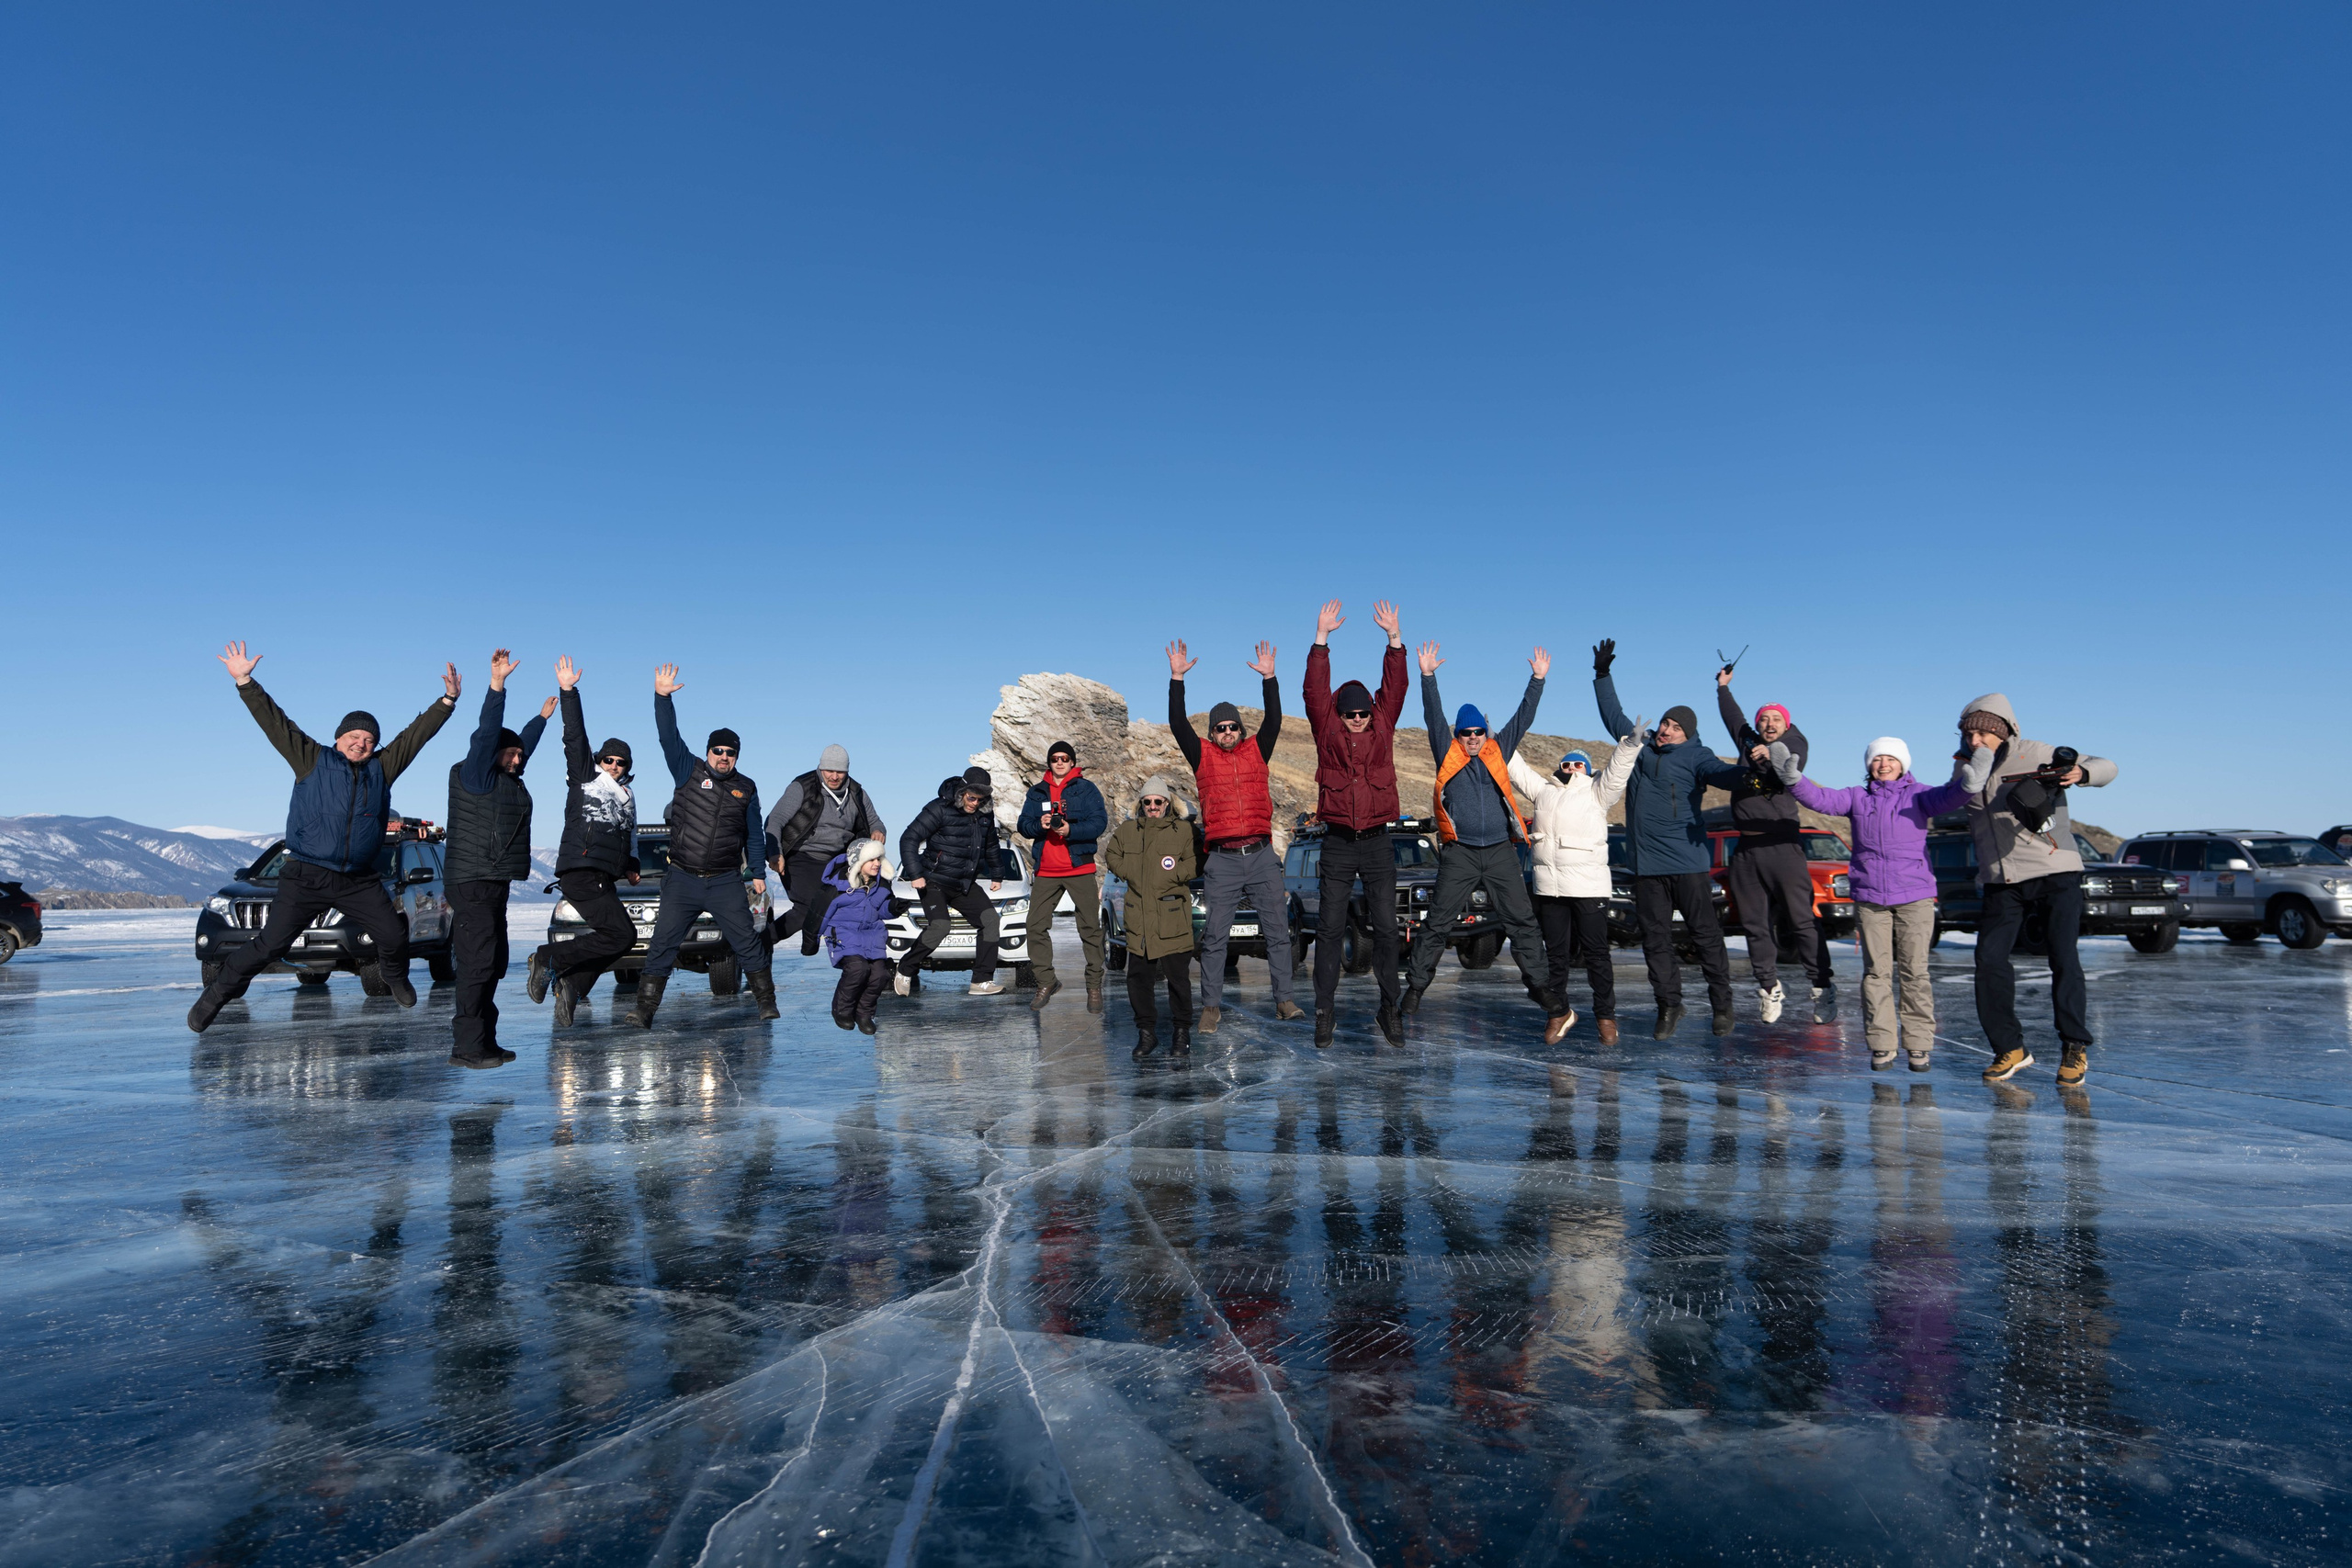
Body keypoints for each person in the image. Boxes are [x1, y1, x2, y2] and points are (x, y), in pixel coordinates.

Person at [188, 642, 458, 1033]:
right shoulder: (311, 759)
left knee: (393, 933)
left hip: (358, 879)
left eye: (368, 739)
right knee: (270, 945)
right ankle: (214, 997)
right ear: (338, 738)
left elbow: (415, 737)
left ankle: (397, 978)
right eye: (354, 736)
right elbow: (275, 721)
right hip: (307, 874)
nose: (361, 743)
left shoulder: (382, 769)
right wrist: (245, 681)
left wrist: (447, 700)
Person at [1771, 736, 1984, 1071]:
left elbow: (1950, 796)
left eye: (1891, 759)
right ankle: (1882, 1043)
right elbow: (1822, 799)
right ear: (1869, 765)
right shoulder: (1858, 797)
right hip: (1871, 897)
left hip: (1914, 896)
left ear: (1903, 764)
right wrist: (1794, 780)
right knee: (1876, 974)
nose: (1883, 764)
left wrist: (1970, 783)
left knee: (1915, 972)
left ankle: (1918, 1043)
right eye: (1877, 759)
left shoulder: (1920, 795)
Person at [1951, 694, 2116, 1087]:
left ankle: (2074, 1045)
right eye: (1969, 732)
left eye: (1984, 732)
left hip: (2055, 870)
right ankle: (2010, 1048)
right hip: (2000, 880)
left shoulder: (2035, 752)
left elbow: (2106, 766)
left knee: (2063, 957)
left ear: (2003, 731)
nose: (1976, 739)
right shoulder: (1962, 768)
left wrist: (2080, 773)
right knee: (1989, 961)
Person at [1592, 638, 1750, 1039]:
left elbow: (1722, 774)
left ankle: (1722, 1005)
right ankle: (1669, 1006)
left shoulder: (1698, 756)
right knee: (1655, 942)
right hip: (1647, 868)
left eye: (1675, 727)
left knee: (1705, 938)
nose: (1665, 730)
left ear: (1687, 734)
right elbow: (1614, 716)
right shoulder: (1640, 749)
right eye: (1665, 723)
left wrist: (1752, 773)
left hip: (1688, 865)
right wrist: (1602, 674)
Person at [1401, 640, 1554, 1022]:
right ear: (1457, 735)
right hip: (1461, 853)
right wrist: (1427, 676)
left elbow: (1523, 718)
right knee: (1438, 923)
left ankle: (1541, 987)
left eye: (1478, 731)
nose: (1472, 737)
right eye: (1465, 732)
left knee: (1522, 922)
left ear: (1486, 732)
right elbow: (1432, 714)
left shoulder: (1497, 751)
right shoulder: (1447, 752)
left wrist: (1537, 680)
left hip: (1501, 850)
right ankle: (1416, 989)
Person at [1166, 637, 1303, 1032]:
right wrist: (1177, 679)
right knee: (1214, 937)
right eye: (1219, 728)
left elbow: (1275, 718)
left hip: (1260, 855)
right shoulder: (1202, 755)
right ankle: (1211, 1005)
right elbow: (1178, 723)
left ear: (1241, 729)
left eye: (1232, 726)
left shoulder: (1258, 749)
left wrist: (1270, 678)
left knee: (1278, 933)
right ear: (1212, 732)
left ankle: (1284, 1000)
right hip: (1223, 859)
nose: (1226, 731)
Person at [632, 664, 776, 1026]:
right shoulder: (688, 770)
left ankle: (765, 1001)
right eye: (717, 750)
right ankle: (645, 1009)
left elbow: (754, 834)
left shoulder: (747, 787)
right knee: (663, 944)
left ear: (737, 756)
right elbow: (668, 737)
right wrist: (662, 697)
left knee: (746, 942)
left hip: (726, 880)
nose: (723, 756)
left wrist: (757, 873)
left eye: (730, 752)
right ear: (708, 751)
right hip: (682, 878)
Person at [1302, 598, 1409, 1047]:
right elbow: (1313, 691)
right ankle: (1324, 1012)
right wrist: (1321, 640)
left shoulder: (1383, 722)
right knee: (1329, 929)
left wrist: (1394, 640)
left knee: (1386, 929)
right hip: (1340, 843)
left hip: (1378, 843)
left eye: (1363, 713)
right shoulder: (1327, 728)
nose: (1359, 720)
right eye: (1351, 715)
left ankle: (1390, 1010)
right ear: (1339, 716)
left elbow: (1396, 686)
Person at [442, 649, 552, 1067]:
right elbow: (491, 734)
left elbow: (516, 745)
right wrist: (497, 686)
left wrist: (539, 722)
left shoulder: (508, 778)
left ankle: (484, 1041)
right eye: (511, 755)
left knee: (493, 963)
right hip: (471, 880)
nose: (518, 759)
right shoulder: (475, 774)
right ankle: (466, 1047)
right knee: (476, 964)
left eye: (520, 755)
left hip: (493, 882)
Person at [526, 657, 642, 1027]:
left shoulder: (628, 797)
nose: (614, 765)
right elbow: (575, 735)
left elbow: (631, 834)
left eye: (621, 762)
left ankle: (574, 984)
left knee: (620, 939)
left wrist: (632, 864)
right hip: (581, 866)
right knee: (621, 935)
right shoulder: (585, 777)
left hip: (603, 873)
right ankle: (548, 959)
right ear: (599, 760)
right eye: (609, 759)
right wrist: (568, 691)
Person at [1507, 728, 1642, 1045]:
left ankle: (1606, 1016)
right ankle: (1558, 1012)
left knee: (1596, 953)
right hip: (1550, 887)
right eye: (1566, 764)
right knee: (1555, 955)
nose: (1571, 768)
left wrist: (1629, 746)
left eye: (1578, 764)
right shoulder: (1544, 791)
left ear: (1588, 769)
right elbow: (1517, 770)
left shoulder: (1597, 791)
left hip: (1588, 887)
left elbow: (1617, 773)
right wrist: (1501, 740)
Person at [1715, 668, 1834, 1020]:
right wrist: (1722, 688)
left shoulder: (1794, 743)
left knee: (1801, 921)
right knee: (1754, 924)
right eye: (1764, 719)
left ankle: (1822, 987)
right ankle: (1769, 988)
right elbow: (1733, 720)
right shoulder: (1749, 742)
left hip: (1783, 847)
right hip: (1747, 850)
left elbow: (1789, 762)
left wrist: (1770, 757)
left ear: (1786, 724)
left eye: (1775, 719)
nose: (1769, 724)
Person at [1102, 777, 1199, 1057]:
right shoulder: (1128, 830)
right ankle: (1147, 1035)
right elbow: (1112, 855)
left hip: (1171, 918)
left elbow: (1195, 862)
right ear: (1141, 804)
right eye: (1147, 802)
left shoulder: (1183, 831)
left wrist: (1173, 875)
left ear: (1167, 804)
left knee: (1178, 981)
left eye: (1158, 801)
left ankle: (1181, 1035)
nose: (1153, 806)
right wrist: (1131, 871)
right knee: (1138, 980)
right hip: (1139, 920)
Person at [764, 744, 886, 957]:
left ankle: (857, 958)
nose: (834, 776)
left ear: (847, 771)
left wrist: (877, 830)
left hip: (838, 859)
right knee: (807, 908)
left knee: (848, 904)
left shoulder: (856, 792)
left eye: (839, 771)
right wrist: (775, 852)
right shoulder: (802, 786)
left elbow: (874, 820)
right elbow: (775, 820)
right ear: (821, 768)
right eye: (829, 770)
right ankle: (760, 944)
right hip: (801, 855)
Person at [896, 766, 1008, 997]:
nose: (975, 803)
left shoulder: (985, 814)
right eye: (971, 797)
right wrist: (915, 874)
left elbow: (991, 846)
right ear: (961, 792)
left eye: (981, 799)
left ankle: (981, 981)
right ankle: (905, 969)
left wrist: (997, 874)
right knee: (940, 925)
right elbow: (909, 838)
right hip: (933, 881)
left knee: (989, 921)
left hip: (963, 883)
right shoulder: (939, 808)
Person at [1016, 740, 1109, 1012]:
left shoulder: (1086, 788)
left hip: (1079, 866)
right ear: (1049, 762)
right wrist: (1040, 825)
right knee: (1034, 925)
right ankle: (1046, 981)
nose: (1059, 762)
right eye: (1055, 758)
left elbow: (1099, 822)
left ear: (1072, 762)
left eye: (1065, 758)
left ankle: (1093, 986)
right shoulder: (1036, 792)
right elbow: (1023, 824)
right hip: (1046, 868)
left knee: (1090, 928)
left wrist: (1070, 830)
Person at [818, 840, 897, 1034]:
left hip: (872, 936)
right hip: (845, 935)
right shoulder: (838, 886)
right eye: (871, 859)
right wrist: (812, 937)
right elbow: (821, 914)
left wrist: (893, 908)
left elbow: (881, 910)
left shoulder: (882, 885)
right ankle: (842, 1010)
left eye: (879, 858)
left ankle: (864, 1013)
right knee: (857, 969)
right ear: (857, 861)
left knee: (881, 975)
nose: (877, 863)